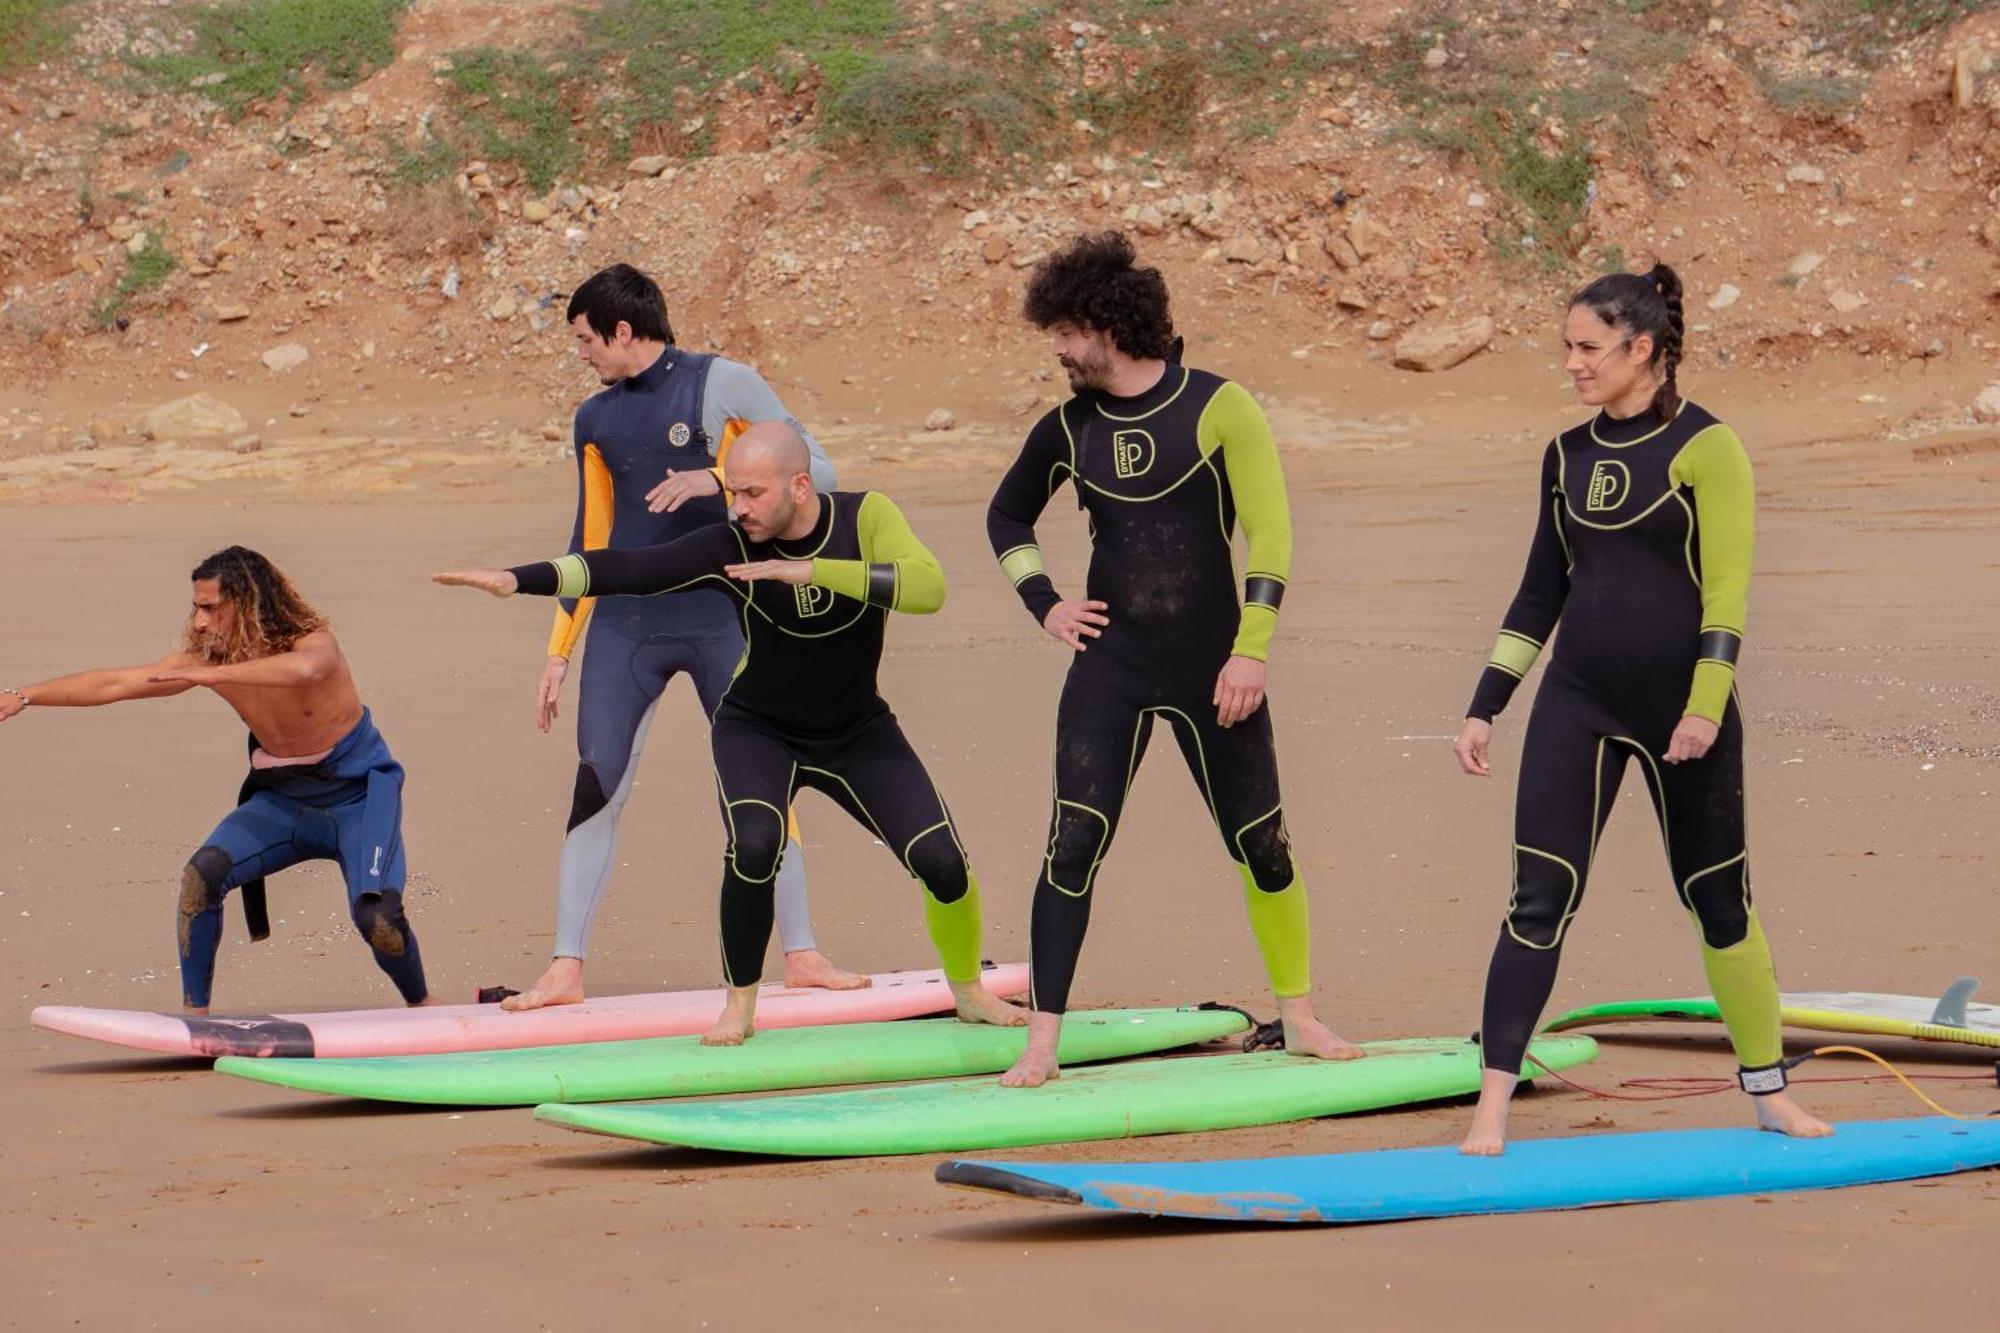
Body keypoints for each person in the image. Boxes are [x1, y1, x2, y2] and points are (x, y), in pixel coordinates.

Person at [435, 422, 1023, 1044]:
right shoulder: (731, 543)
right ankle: (739, 1006)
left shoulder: (866, 517)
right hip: (757, 728)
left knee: (944, 864)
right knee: (755, 847)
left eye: (751, 493)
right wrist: (519, 578)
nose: (738, 507)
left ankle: (969, 994)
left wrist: (814, 572)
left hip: (857, 730)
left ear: (800, 486)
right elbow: (632, 568)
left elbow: (928, 588)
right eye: (732, 493)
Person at [1451, 263, 1832, 1154]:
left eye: (1588, 349)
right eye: (1567, 349)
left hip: (1681, 711)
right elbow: (1538, 592)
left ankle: (1769, 1092)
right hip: (1577, 700)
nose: (1573, 366)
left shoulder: (1709, 448)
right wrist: (1486, 705)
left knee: (1719, 903)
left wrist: (1704, 707)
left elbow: (1726, 597)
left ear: (1643, 349)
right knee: (1536, 899)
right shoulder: (1566, 454)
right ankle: (1491, 1107)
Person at [984, 231, 1361, 1087]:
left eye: (1067, 329)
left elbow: (1270, 533)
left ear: (1109, 325)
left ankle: (1299, 1017)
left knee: (1262, 844)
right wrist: (1045, 603)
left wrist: (1250, 653)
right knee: (1071, 842)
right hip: (1111, 664)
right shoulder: (1067, 428)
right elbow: (1006, 519)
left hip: (1214, 666)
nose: (1057, 347)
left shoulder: (1219, 406)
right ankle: (1041, 1042)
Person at [511, 262, 862, 1011]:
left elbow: (821, 472)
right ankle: (564, 969)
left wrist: (716, 479)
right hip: (626, 631)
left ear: (623, 329)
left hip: (724, 620)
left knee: (763, 788)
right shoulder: (593, 419)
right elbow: (590, 536)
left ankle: (800, 953)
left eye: (584, 339)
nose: (581, 354)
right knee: (595, 784)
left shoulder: (724, 383)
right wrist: (557, 649)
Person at [0, 547, 430, 1014]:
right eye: (196, 608)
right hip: (284, 804)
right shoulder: (208, 660)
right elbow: (115, 684)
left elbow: (306, 670)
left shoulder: (311, 642)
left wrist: (213, 674)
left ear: (248, 604)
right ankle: (196, 1017)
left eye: (210, 608)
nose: (200, 622)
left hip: (359, 800)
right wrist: (25, 696)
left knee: (378, 918)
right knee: (200, 878)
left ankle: (423, 1005)